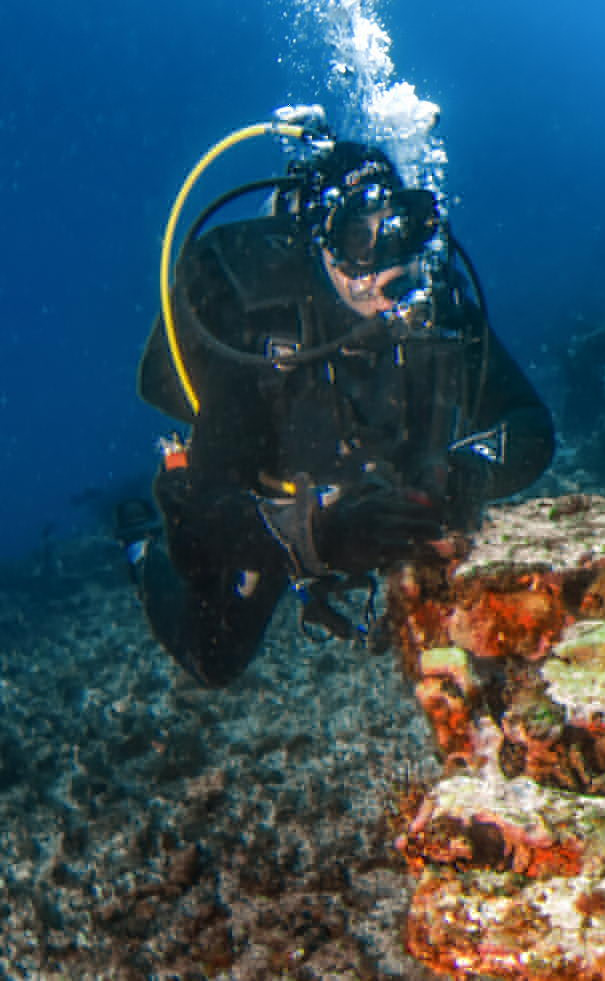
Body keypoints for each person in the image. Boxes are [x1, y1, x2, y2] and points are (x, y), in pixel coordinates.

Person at [129, 137, 554, 686]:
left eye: (403, 230)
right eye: (360, 237)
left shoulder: (436, 304)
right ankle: (139, 552)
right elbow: (210, 519)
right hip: (273, 494)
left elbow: (530, 425)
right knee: (212, 660)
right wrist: (321, 538)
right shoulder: (262, 326)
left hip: (370, 490)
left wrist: (462, 475)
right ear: (322, 245)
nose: (387, 269)